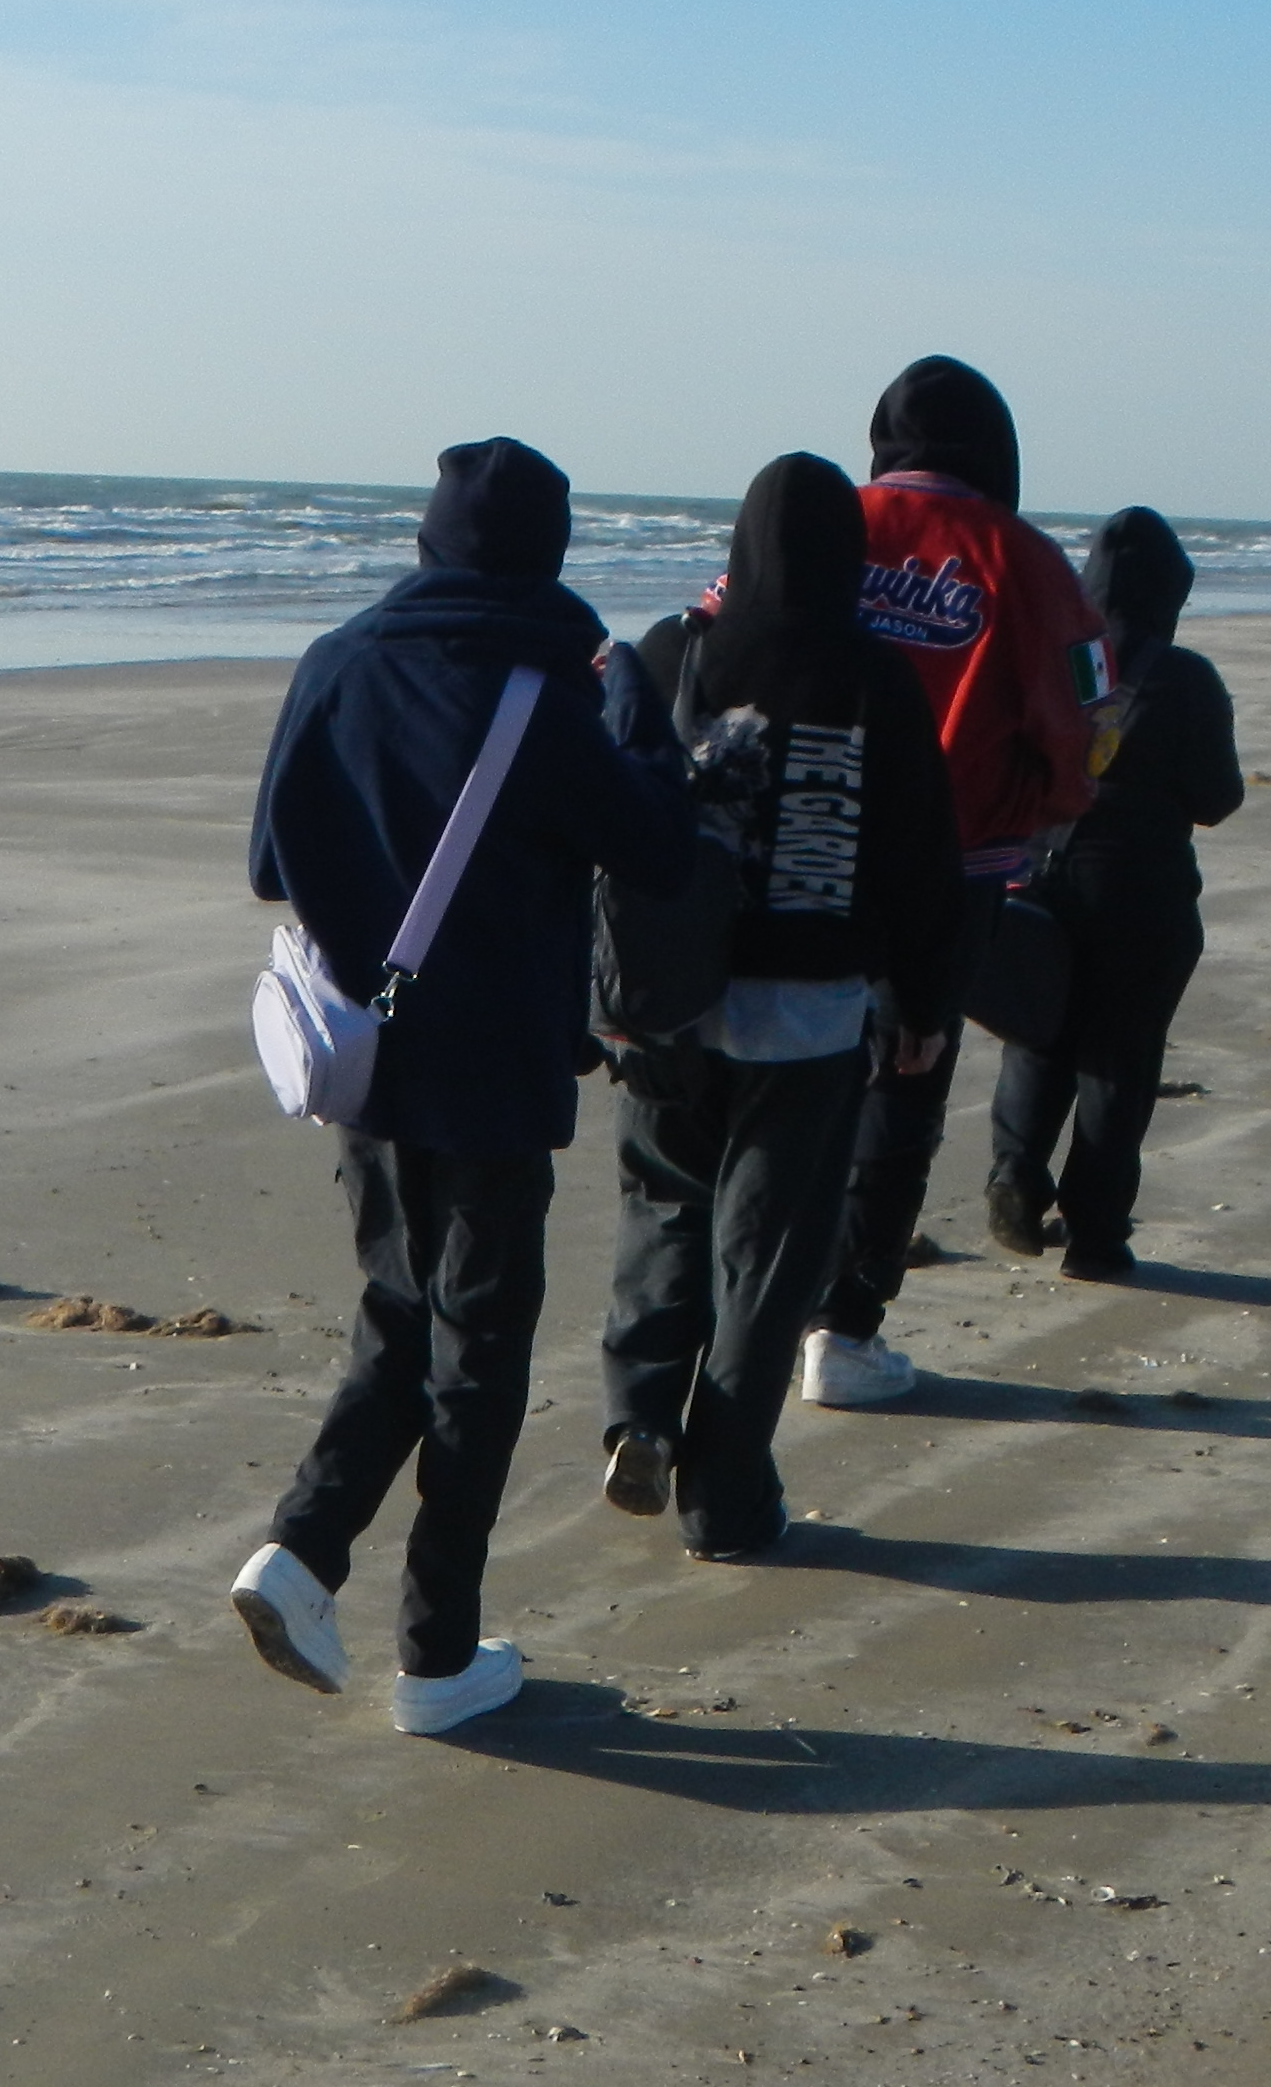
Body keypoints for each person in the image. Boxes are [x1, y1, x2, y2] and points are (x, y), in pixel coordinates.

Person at [235, 437, 694, 1734]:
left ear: (430, 538)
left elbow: (272, 860)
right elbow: (656, 851)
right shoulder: (546, 693)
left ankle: (305, 1557)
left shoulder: (338, 661)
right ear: (546, 550)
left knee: (400, 1307)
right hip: (491, 1068)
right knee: (477, 1350)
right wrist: (642, 725)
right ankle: (432, 1653)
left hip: (362, 1054)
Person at [593, 454, 966, 1559]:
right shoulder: (877, 678)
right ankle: (727, 1492)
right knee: (769, 1258)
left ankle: (642, 1414)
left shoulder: (675, 650)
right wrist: (923, 1000)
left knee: (662, 1209)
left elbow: (605, 823)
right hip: (806, 1014)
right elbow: (920, 861)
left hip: (665, 1002)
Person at [796, 355, 1113, 1410]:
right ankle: (844, 1325)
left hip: (802, 846)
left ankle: (757, 1302)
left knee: (786, 1075)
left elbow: (714, 640)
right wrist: (1054, 804)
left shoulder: (813, 520)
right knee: (905, 1081)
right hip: (954, 865)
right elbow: (1087, 714)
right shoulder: (1026, 559)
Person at [985, 507, 1244, 1279]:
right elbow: (1217, 796)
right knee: (1119, 1059)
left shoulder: (1050, 660)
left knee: (1038, 1036)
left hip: (1034, 874)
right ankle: (1095, 1230)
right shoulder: (1183, 675)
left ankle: (1015, 1173)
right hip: (1138, 887)